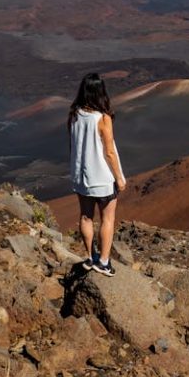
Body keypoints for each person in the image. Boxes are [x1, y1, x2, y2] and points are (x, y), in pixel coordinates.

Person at [68, 72, 126, 276]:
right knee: (107, 219)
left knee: (85, 217)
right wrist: (119, 177)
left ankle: (88, 256)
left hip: (80, 176)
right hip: (102, 177)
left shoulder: (74, 114)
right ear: (101, 92)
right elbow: (109, 152)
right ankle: (103, 262)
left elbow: (73, 145)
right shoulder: (103, 118)